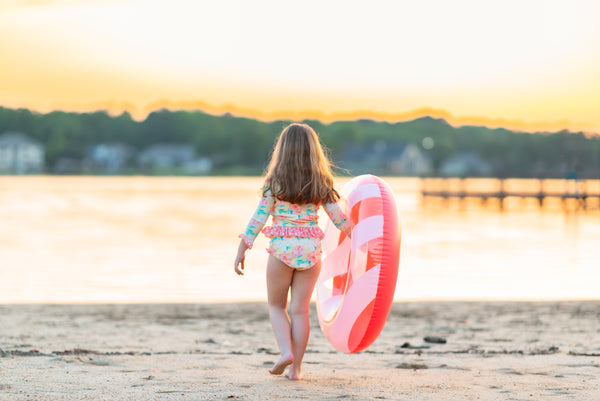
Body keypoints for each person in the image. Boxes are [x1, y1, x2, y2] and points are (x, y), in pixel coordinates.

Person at [234, 123, 351, 380]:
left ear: (282, 151)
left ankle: (285, 352)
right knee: (299, 310)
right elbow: (339, 221)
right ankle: (296, 369)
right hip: (311, 253)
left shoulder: (274, 183)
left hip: (281, 250)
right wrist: (361, 236)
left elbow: (259, 218)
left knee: (277, 306)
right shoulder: (322, 184)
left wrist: (243, 247)